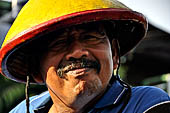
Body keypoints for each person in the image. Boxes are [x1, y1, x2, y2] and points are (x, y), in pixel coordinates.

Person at [0, 0, 170, 113]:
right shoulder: (22, 110)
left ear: (115, 54)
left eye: (90, 37)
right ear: (35, 68)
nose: (77, 52)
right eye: (59, 43)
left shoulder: (144, 104)